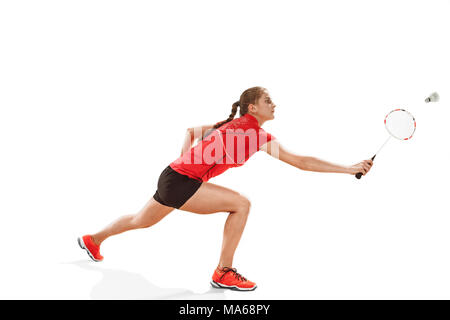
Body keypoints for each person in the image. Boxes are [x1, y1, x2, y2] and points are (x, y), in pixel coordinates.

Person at [78, 86, 373, 291]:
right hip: (181, 181)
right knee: (241, 204)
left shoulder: (235, 125)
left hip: (172, 176)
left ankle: (93, 239)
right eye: (268, 99)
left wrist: (182, 160)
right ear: (252, 106)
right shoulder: (252, 132)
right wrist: (348, 168)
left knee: (139, 220)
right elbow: (300, 162)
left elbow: (190, 132)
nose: (274, 104)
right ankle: (224, 271)